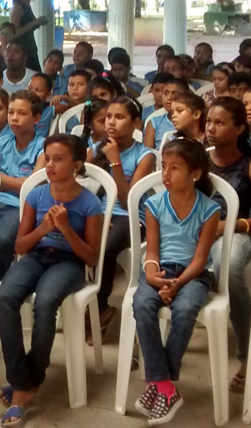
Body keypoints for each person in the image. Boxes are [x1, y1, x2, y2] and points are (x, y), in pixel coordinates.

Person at [0, 135, 103, 426]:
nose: (50, 165)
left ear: (77, 165)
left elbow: (91, 258)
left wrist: (67, 229)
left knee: (45, 302)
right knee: (5, 296)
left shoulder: (90, 203)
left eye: (59, 159)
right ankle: (22, 381)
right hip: (36, 256)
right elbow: (19, 246)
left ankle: (27, 382)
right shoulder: (37, 195)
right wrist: (43, 228)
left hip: (69, 263)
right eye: (47, 158)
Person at [132, 138, 221, 424]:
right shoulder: (154, 203)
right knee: (142, 303)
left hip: (193, 274)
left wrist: (177, 284)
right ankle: (166, 387)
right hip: (160, 269)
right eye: (163, 167)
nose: (166, 174)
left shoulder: (210, 209)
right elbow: (153, 249)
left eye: (175, 168)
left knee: (184, 311)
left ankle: (158, 383)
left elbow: (200, 259)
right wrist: (150, 273)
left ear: (195, 173)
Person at [205, 98, 251, 391]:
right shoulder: (199, 160)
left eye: (220, 123)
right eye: (209, 122)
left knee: (228, 268)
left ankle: (249, 357)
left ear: (239, 128)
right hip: (195, 234)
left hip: (236, 233)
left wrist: (231, 225)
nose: (211, 128)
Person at [91, 97, 156, 335]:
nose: (111, 122)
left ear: (136, 122)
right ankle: (82, 303)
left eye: (119, 117)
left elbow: (129, 200)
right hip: (99, 211)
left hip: (130, 216)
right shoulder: (97, 148)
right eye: (109, 116)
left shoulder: (145, 155)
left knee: (105, 249)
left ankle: (101, 309)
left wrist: (115, 161)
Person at [0, 90, 47, 311]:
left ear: (36, 118)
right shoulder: (0, 143)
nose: (14, 118)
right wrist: (12, 181)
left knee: (2, 241)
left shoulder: (43, 148)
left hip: (18, 207)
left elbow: (30, 188)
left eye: (22, 113)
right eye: (11, 112)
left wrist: (0, 176)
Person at [9, 0, 48, 72]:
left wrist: (37, 23)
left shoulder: (26, 5)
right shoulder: (17, 7)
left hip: (30, 46)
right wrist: (34, 23)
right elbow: (13, 33)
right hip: (23, 49)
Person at [144, 77, 189, 149]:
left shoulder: (191, 121)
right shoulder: (154, 122)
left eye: (174, 93)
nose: (169, 97)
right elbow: (147, 153)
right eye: (165, 93)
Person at [51, 69, 90, 133]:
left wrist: (66, 99)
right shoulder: (62, 104)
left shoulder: (91, 103)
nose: (75, 88)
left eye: (80, 84)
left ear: (89, 88)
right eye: (71, 84)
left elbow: (83, 106)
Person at [28, 73, 56, 139]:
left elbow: (74, 107)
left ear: (48, 94)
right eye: (30, 89)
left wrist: (66, 98)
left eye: (38, 90)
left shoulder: (49, 110)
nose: (32, 93)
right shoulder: (18, 108)